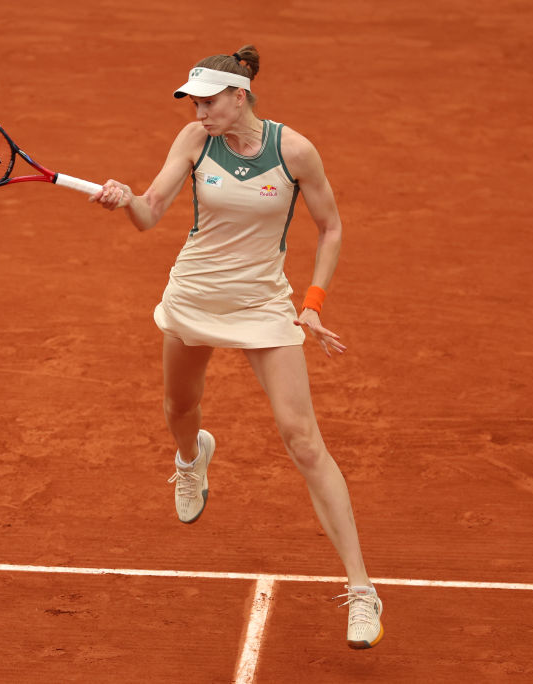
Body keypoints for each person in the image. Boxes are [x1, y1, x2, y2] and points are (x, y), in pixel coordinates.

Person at [91, 45, 384, 649]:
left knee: (303, 440)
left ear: (239, 95)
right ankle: (191, 458)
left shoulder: (294, 151)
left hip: (261, 305)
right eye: (193, 104)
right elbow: (150, 213)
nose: (199, 113)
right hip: (194, 295)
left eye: (208, 102)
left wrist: (312, 303)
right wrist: (126, 201)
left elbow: (330, 227)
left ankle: (361, 590)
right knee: (179, 408)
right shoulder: (194, 142)